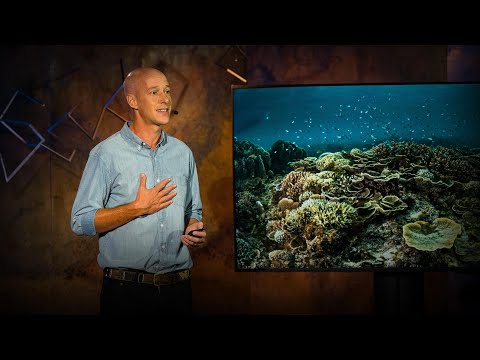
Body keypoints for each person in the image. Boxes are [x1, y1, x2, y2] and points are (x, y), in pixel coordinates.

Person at [71, 67, 206, 316]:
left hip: (178, 292)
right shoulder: (105, 154)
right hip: (126, 295)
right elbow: (81, 222)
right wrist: (136, 208)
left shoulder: (183, 153)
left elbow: (193, 210)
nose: (165, 99)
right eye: (154, 92)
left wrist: (193, 227)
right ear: (133, 101)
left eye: (167, 91)